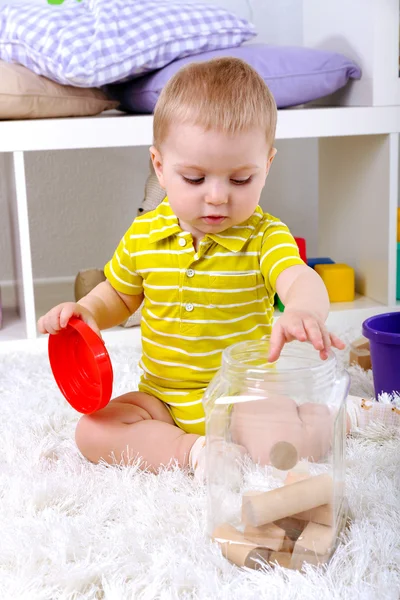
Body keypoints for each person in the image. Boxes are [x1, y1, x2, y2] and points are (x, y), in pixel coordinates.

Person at [38, 58, 398, 479]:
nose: (216, 198)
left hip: (246, 395)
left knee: (277, 448)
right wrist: (88, 313)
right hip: (164, 398)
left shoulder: (263, 237)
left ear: (267, 165)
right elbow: (118, 294)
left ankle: (339, 415)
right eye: (193, 178)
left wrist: (303, 310)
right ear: (159, 166)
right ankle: (195, 452)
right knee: (92, 431)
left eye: (240, 180)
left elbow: (300, 278)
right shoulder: (144, 235)